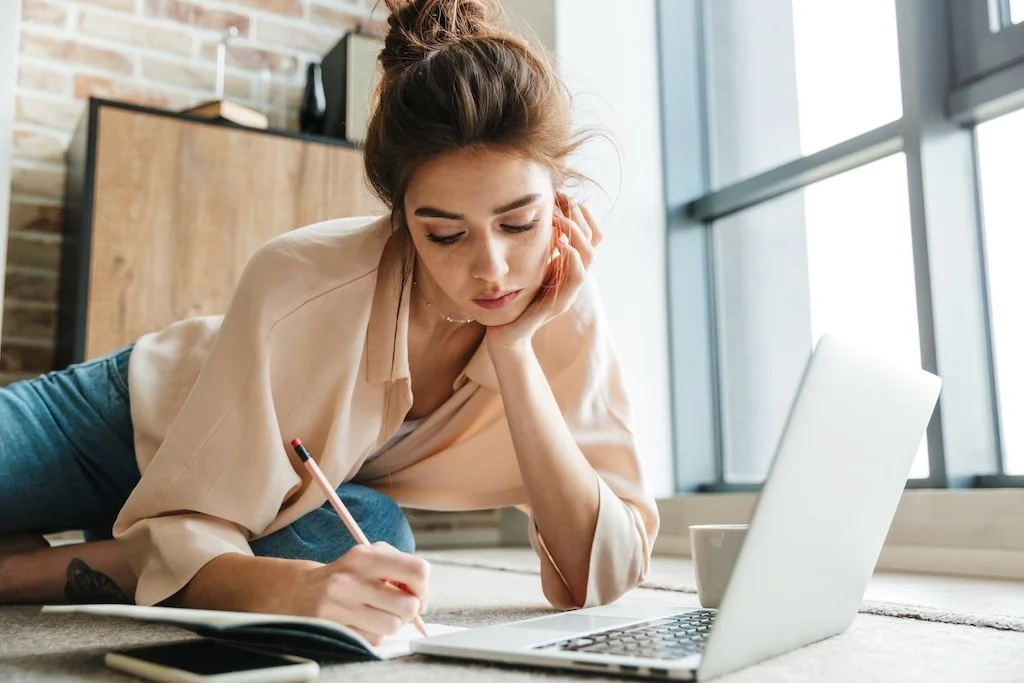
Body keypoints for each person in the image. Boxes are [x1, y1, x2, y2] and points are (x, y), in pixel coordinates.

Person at [0, 0, 659, 645]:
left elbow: (600, 575)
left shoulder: (564, 307)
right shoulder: (300, 277)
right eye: (446, 235)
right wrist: (287, 592)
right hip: (129, 415)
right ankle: (71, 555)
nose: (493, 269)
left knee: (375, 547)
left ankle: (32, 565)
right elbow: (189, 516)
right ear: (400, 221)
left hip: (280, 502)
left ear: (561, 204)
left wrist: (513, 351)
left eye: (519, 223)